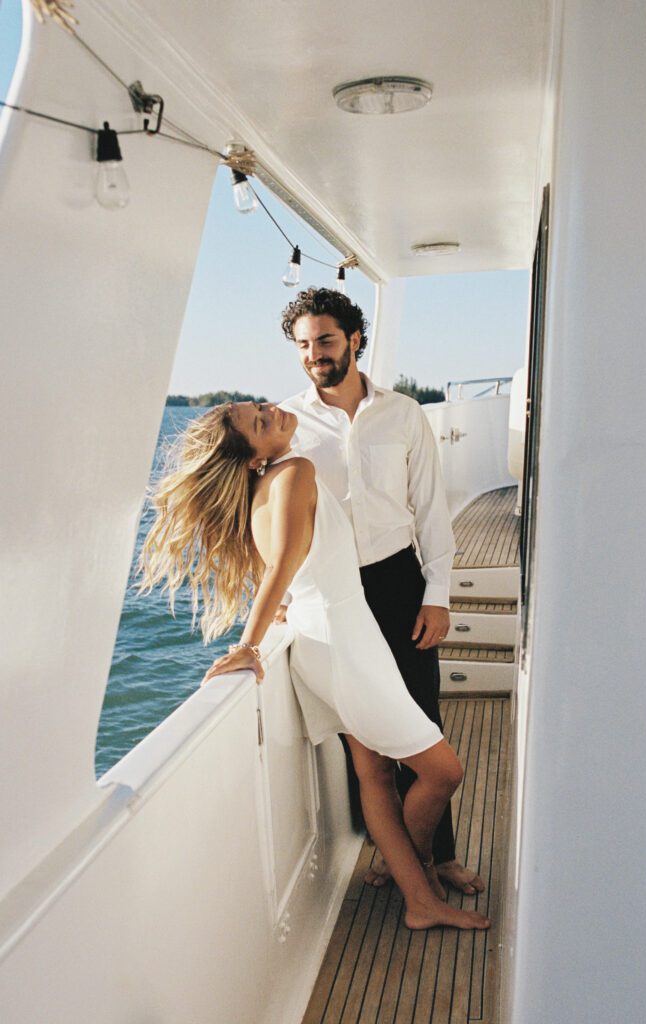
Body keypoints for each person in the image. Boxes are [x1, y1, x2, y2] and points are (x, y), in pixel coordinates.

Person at [139, 400, 489, 932]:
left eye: (257, 406)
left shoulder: (265, 487)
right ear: (252, 457)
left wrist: (272, 619)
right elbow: (282, 565)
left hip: (322, 639)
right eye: (259, 423)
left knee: (374, 776)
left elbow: (288, 563)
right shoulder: (295, 472)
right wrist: (250, 645)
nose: (270, 411)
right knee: (444, 772)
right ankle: (415, 878)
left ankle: (418, 897)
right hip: (344, 640)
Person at [279, 288, 484, 897]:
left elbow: (431, 511)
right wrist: (287, 592)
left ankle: (436, 858)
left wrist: (438, 593)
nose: (316, 354)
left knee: (422, 718)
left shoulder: (404, 415)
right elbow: (272, 518)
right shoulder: (288, 422)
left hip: (397, 581)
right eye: (305, 345)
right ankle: (396, 857)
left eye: (326, 341)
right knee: (366, 739)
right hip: (334, 593)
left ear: (355, 340)